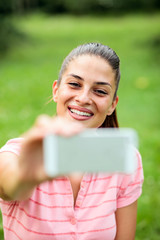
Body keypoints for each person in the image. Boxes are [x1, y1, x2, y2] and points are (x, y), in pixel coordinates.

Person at [0, 43, 144, 240]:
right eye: (75, 84)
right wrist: (25, 177)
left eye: (100, 91)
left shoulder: (124, 158)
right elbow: (8, 185)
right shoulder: (16, 153)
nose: (84, 98)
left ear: (112, 105)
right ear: (56, 90)